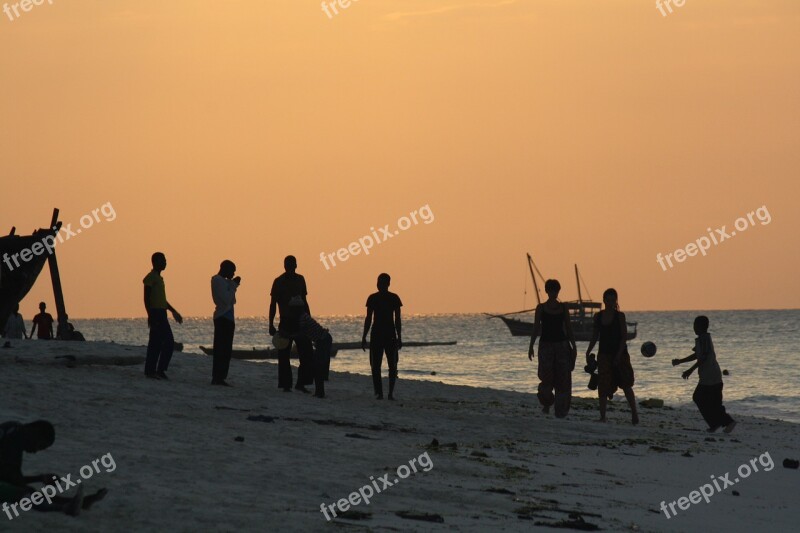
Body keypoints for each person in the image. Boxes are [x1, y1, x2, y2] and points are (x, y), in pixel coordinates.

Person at [0, 420, 106, 518]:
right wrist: (40, 478)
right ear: (34, 433)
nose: (35, 451)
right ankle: (65, 507)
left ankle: (71, 504)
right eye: (39, 445)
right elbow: (14, 479)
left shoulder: (14, 431)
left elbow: (10, 476)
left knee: (25, 491)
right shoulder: (16, 435)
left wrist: (41, 478)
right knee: (24, 493)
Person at [672, 316, 736, 433]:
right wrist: (680, 361)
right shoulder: (701, 339)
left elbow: (704, 358)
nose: (694, 328)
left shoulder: (704, 339)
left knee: (704, 399)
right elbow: (697, 355)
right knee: (707, 400)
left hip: (711, 376)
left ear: (701, 327)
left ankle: (727, 422)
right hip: (708, 376)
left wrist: (690, 370)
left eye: (695, 325)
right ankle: (717, 423)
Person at [585, 288, 639, 424]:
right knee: (603, 386)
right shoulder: (598, 317)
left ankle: (634, 414)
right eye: (607, 300)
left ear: (616, 301)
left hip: (620, 354)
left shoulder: (620, 316)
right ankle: (603, 417)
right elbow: (595, 336)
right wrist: (588, 351)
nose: (610, 303)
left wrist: (619, 355)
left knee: (626, 384)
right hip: (603, 355)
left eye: (612, 300)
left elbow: (623, 337)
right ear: (604, 300)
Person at [528, 279, 577, 418]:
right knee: (546, 377)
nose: (554, 293)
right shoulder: (541, 308)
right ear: (547, 291)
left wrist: (574, 346)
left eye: (556, 290)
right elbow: (536, 328)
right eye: (551, 290)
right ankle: (547, 403)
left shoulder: (563, 307)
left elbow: (568, 327)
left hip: (562, 345)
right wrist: (531, 345)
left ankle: (560, 410)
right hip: (546, 346)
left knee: (563, 379)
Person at [268, 256, 314, 392]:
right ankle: (285, 385)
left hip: (300, 320)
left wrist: (309, 320)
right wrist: (270, 324)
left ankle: (302, 383)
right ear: (284, 266)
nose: (289, 267)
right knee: (283, 354)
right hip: (285, 321)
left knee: (306, 353)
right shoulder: (278, 281)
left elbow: (305, 301)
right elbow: (272, 304)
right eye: (287, 264)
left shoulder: (301, 279)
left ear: (296, 265)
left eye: (291, 264)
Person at [362, 273, 402, 400]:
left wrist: (399, 337)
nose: (380, 285)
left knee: (392, 365)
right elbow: (368, 318)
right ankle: (379, 393)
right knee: (375, 365)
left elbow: (398, 319)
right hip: (377, 334)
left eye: (383, 283)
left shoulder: (394, 298)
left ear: (388, 284)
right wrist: (364, 336)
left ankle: (390, 393)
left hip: (390, 334)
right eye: (379, 282)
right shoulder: (372, 298)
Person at [143, 252, 183, 380]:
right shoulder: (150, 278)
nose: (165, 263)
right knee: (164, 342)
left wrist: (173, 311)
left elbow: (162, 300)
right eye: (162, 260)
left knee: (158, 342)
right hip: (155, 313)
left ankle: (155, 370)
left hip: (161, 312)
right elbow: (146, 298)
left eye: (165, 260)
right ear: (155, 262)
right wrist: (150, 315)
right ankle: (155, 370)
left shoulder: (159, 279)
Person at [211, 260, 240, 386]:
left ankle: (221, 377)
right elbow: (226, 299)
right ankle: (217, 377)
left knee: (226, 350)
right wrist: (233, 285)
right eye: (232, 270)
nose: (233, 273)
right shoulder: (217, 280)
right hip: (222, 318)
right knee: (221, 349)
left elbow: (232, 300)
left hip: (228, 319)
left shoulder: (225, 282)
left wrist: (232, 285)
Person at [298, 311, 333, 398]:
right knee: (318, 367)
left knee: (318, 367)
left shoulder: (302, 318)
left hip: (323, 340)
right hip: (323, 339)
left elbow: (301, 333)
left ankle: (320, 392)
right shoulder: (304, 316)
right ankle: (319, 392)